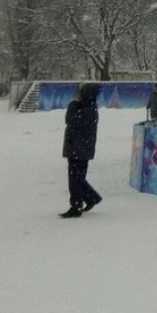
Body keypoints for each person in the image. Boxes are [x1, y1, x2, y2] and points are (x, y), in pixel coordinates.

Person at [61, 83, 102, 218]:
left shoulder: (88, 110)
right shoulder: (86, 108)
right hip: (78, 148)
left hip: (80, 149)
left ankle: (76, 206)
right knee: (77, 178)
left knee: (75, 179)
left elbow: (71, 120)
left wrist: (73, 104)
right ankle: (91, 198)